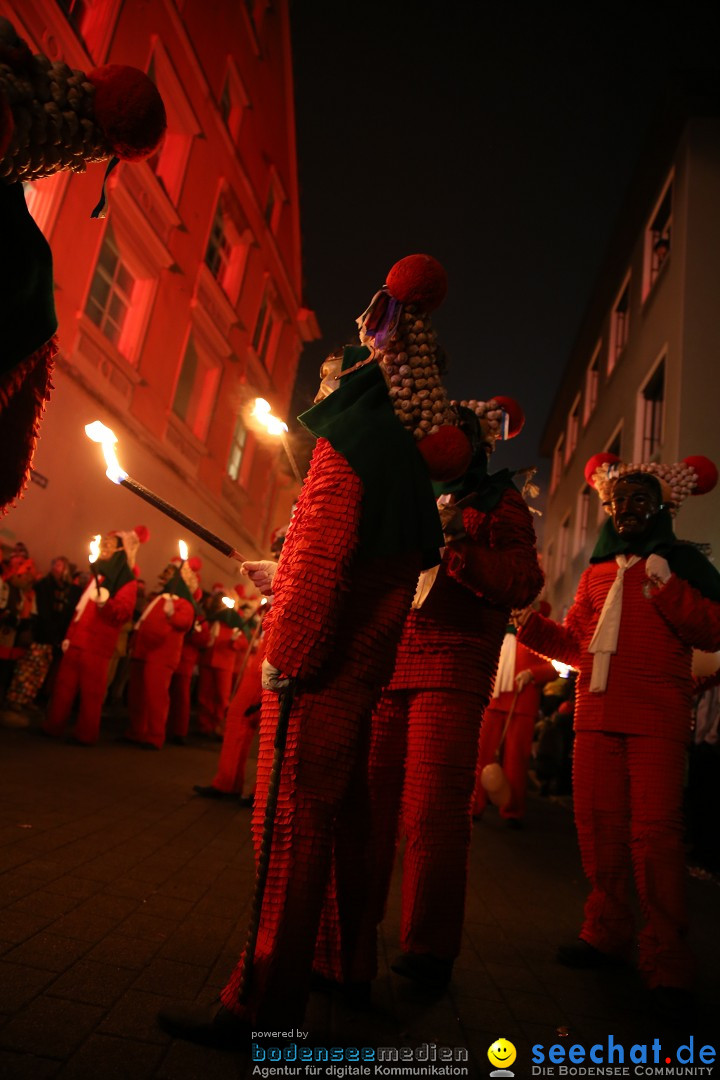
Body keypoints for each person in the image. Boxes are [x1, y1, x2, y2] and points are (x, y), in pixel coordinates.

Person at [158, 253, 473, 1045]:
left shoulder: (353, 444)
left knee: (288, 835)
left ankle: (261, 1005)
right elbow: (353, 563)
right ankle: (344, 965)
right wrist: (282, 569)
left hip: (317, 676)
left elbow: (327, 564)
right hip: (359, 678)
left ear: (367, 367)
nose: (326, 385)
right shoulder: (402, 462)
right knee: (338, 828)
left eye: (338, 369)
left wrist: (285, 659)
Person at [314, 398, 544, 994]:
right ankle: (347, 941)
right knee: (367, 810)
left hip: (454, 665)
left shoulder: (500, 502)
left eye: (456, 436)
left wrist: (460, 552)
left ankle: (428, 946)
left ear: (479, 446)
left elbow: (523, 580)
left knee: (432, 813)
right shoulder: (408, 493)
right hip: (389, 661)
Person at [516, 452, 720, 1020]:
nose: (627, 510)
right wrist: (529, 624)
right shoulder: (594, 574)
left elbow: (713, 631)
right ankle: (605, 933)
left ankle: (668, 960)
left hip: (656, 717)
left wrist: (668, 589)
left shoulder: (681, 565)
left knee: (656, 837)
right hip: (595, 714)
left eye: (640, 501)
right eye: (618, 501)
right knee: (599, 828)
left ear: (663, 508)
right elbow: (577, 648)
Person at [42, 526, 148, 745]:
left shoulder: (127, 582)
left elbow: (123, 613)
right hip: (78, 640)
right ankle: (54, 726)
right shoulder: (97, 575)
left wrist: (106, 604)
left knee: (92, 692)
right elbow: (81, 609)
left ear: (121, 551)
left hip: (98, 644)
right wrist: (70, 635)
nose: (104, 549)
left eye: (109, 546)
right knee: (63, 687)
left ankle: (86, 734)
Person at [472, 621, 556, 826]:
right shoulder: (495, 629)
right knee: (482, 756)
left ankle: (512, 809)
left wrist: (532, 674)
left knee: (516, 761)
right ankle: (475, 805)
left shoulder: (535, 634)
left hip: (520, 704)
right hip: (493, 701)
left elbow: (553, 669)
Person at [122, 556, 200, 750]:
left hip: (162, 655)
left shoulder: (184, 603)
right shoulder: (159, 598)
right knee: (137, 695)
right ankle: (136, 731)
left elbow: (184, 624)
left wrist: (171, 613)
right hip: (143, 652)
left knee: (156, 697)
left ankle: (154, 736)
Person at [0, 555, 79, 726]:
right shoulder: (44, 584)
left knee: (39, 669)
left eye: (62, 565)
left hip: (50, 635)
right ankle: (16, 698)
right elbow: (42, 608)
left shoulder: (64, 588)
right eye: (56, 564)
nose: (59, 568)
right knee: (27, 667)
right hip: (40, 632)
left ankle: (28, 697)